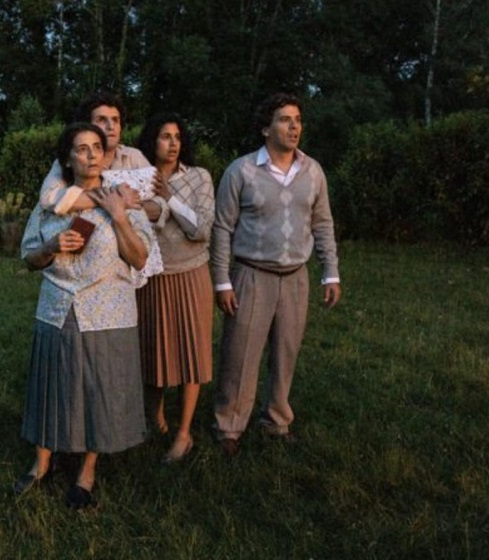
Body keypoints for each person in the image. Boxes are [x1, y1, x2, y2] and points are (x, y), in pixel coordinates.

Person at [14, 122, 155, 509]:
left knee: (99, 386)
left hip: (108, 309)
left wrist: (120, 216)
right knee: (51, 381)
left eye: (97, 147)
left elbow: (140, 258)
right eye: (81, 148)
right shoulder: (51, 203)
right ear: (68, 158)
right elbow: (29, 257)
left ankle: (87, 471)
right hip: (58, 304)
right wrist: (52, 244)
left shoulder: (123, 198)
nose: (91, 154)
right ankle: (41, 462)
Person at [210, 92, 341, 457]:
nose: (294, 126)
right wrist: (222, 280)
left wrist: (330, 273)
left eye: (297, 119)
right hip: (251, 274)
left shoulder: (312, 171)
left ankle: (277, 420)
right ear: (266, 128)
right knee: (240, 354)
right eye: (285, 119)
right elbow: (222, 228)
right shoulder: (242, 171)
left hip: (296, 276)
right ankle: (229, 426)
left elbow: (323, 223)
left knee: (286, 351)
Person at [134, 113, 215, 462]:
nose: (172, 143)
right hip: (151, 276)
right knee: (153, 352)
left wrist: (169, 199)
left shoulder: (198, 177)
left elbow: (201, 229)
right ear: (152, 141)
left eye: (178, 136)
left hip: (191, 273)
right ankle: (156, 419)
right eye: (165, 136)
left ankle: (184, 433)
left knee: (190, 353)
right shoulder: (139, 179)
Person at [39, 91, 150, 215]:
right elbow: (48, 199)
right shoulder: (69, 161)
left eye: (115, 120)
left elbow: (160, 205)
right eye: (102, 120)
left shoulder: (134, 157)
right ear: (87, 125)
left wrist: (82, 200)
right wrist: (117, 200)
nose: (111, 126)